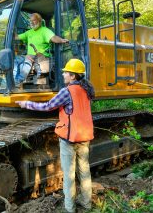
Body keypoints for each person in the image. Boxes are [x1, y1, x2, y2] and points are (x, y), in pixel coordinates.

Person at [16, 59, 95, 213]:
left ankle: (70, 208)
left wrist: (26, 104)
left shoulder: (67, 91)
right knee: (85, 172)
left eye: (66, 72)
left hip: (70, 138)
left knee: (69, 175)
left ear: (73, 76)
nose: (63, 74)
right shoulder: (87, 90)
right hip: (84, 137)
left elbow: (47, 106)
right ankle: (87, 204)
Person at [14, 13, 69, 86]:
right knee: (15, 60)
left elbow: (53, 38)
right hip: (30, 55)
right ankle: (13, 80)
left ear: (39, 21)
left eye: (34, 20)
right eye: (30, 21)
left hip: (41, 56)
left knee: (27, 64)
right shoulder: (29, 32)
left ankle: (18, 81)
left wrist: (62, 40)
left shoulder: (45, 30)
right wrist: (12, 30)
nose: (32, 23)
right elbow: (17, 37)